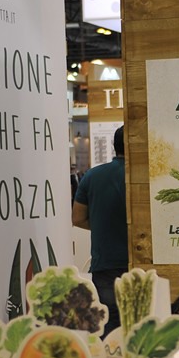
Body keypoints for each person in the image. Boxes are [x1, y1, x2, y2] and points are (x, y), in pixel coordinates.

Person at [73, 126, 129, 336]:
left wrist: (102, 224)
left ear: (114, 145)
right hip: (144, 263)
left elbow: (77, 218)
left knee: (111, 324)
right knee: (143, 321)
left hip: (105, 264)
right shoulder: (146, 175)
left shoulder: (92, 176)